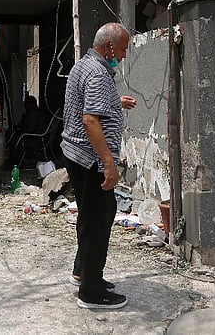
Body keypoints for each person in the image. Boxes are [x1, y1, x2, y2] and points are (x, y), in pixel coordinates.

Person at [60, 23, 136, 309]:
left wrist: (115, 102)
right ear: (110, 47)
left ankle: (83, 271)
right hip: (89, 159)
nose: (125, 55)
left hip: (75, 153)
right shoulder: (98, 73)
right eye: (124, 49)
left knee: (92, 214)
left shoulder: (84, 66)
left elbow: (88, 104)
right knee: (99, 219)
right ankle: (91, 291)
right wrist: (109, 164)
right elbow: (90, 119)